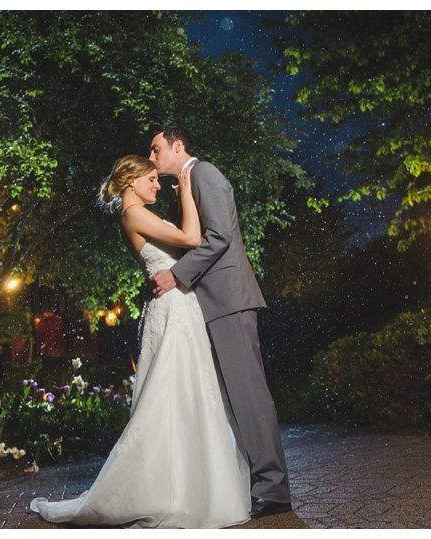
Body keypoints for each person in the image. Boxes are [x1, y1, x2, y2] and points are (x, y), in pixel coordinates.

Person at [29, 155, 251, 528]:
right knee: (168, 396)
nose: (158, 185)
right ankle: (164, 491)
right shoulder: (133, 214)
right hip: (172, 312)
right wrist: (186, 194)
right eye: (152, 180)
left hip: (179, 308)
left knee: (189, 394)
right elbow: (192, 239)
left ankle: (193, 486)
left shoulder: (139, 213)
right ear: (132, 182)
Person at [148, 126, 292, 518]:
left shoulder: (205, 173)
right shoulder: (187, 182)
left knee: (249, 396)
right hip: (213, 304)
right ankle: (255, 483)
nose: (152, 156)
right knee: (232, 398)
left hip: (229, 299)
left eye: (157, 148)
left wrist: (176, 274)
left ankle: (274, 489)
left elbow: (220, 236)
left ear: (179, 146)